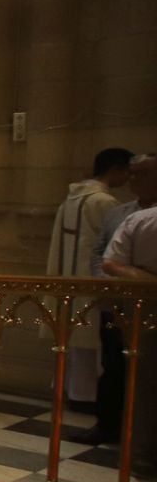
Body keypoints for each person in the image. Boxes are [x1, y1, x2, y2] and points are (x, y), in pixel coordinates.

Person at [48, 147, 133, 407]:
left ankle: (73, 391)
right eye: (128, 173)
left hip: (71, 278)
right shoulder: (104, 202)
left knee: (76, 339)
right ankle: (87, 397)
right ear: (115, 169)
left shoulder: (72, 198)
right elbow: (112, 246)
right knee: (91, 340)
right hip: (91, 280)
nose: (129, 180)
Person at [85, 154, 156, 446]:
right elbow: (100, 253)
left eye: (143, 174)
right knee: (114, 365)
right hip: (117, 304)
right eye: (132, 173)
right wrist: (108, 288)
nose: (133, 180)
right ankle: (108, 425)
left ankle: (142, 439)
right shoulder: (120, 213)